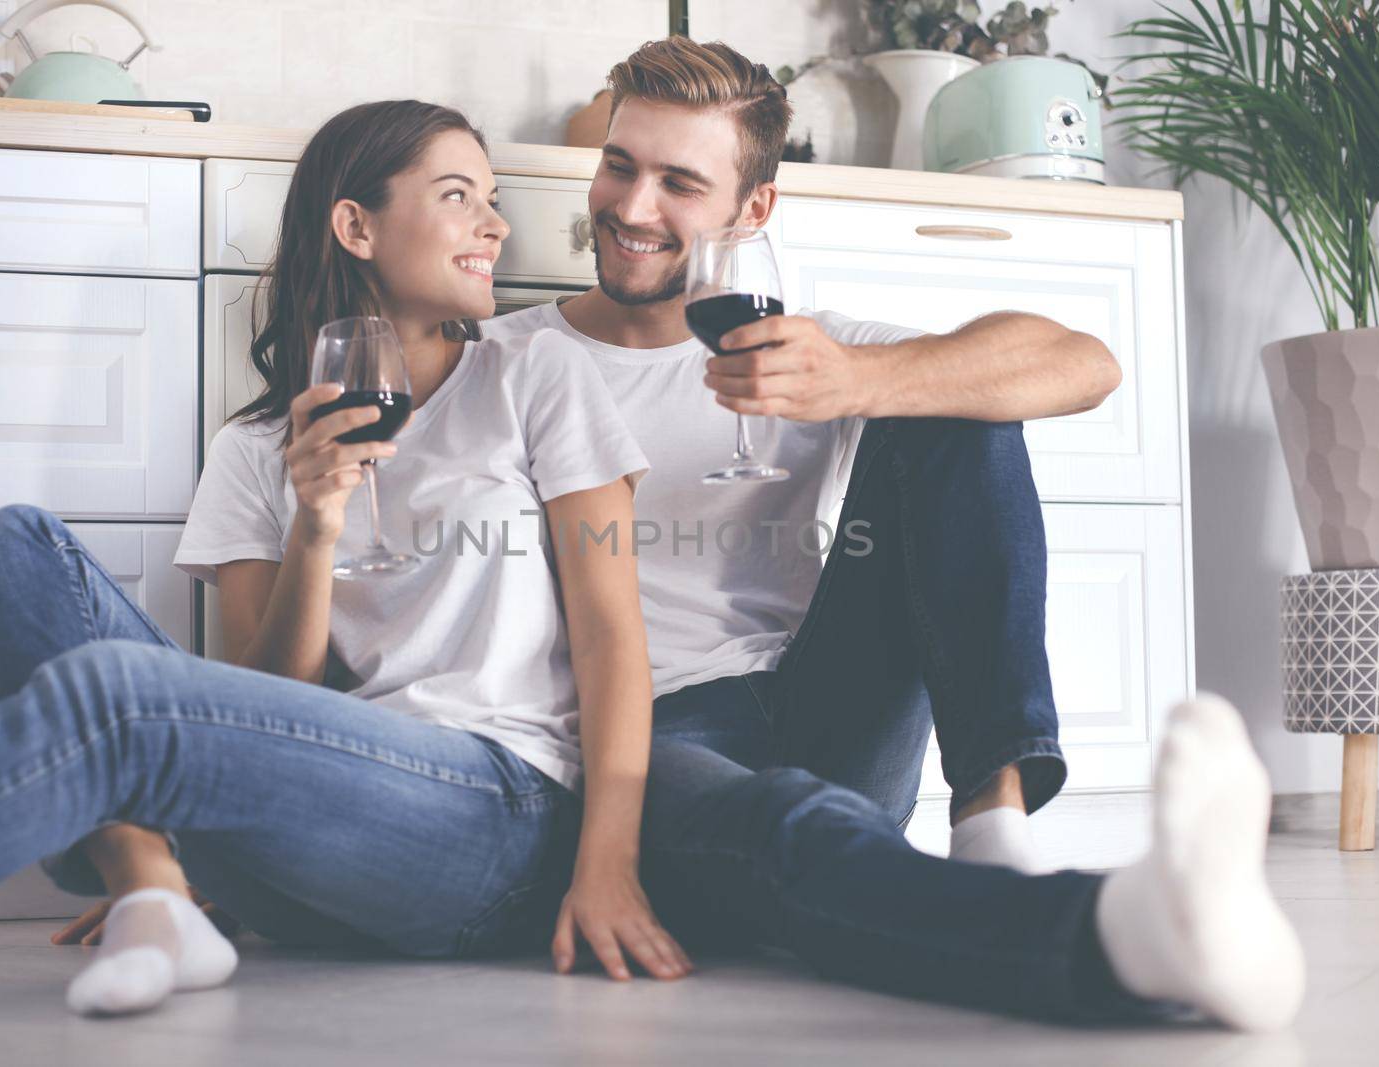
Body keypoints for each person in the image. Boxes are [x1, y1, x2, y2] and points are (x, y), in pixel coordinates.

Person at [481, 37, 1307, 1030]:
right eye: (620, 164)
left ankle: (991, 822)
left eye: (679, 183)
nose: (631, 206)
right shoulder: (506, 359)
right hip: (648, 731)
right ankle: (1121, 930)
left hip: (829, 701)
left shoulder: (802, 346)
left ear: (753, 212)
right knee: (787, 836)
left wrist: (863, 382)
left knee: (956, 395)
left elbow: (1083, 362)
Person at [0, 99, 691, 1016]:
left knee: (121, 699)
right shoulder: (254, 448)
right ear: (355, 225)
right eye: (458, 196)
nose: (496, 223)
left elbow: (611, 637)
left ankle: (138, 881)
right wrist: (314, 522)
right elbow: (272, 691)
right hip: (308, 830)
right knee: (8, 549)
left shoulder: (535, 376)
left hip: (489, 819)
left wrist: (610, 866)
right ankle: (152, 883)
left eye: (491, 198)